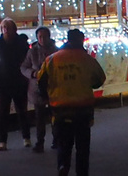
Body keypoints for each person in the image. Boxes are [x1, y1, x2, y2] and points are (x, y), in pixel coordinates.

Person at [36, 28, 106, 176]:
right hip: (83, 110)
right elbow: (100, 80)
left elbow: (41, 80)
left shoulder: (53, 59)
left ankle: (63, 166)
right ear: (81, 40)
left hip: (60, 109)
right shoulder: (87, 60)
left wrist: (47, 97)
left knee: (63, 143)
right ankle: (81, 172)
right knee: (82, 147)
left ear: (67, 40)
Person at [0, 17, 31, 150]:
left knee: (22, 111)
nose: (5, 30)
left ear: (14, 29)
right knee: (3, 113)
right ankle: (2, 141)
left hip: (19, 81)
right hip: (3, 82)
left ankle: (26, 137)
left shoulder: (22, 44)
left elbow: (26, 61)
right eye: (3, 27)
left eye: (8, 27)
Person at [20, 25, 59, 152]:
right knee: (40, 117)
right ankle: (40, 141)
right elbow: (24, 67)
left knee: (55, 116)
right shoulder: (32, 52)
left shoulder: (56, 51)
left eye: (44, 36)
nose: (42, 39)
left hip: (53, 88)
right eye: (40, 37)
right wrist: (33, 73)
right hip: (37, 89)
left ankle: (56, 139)